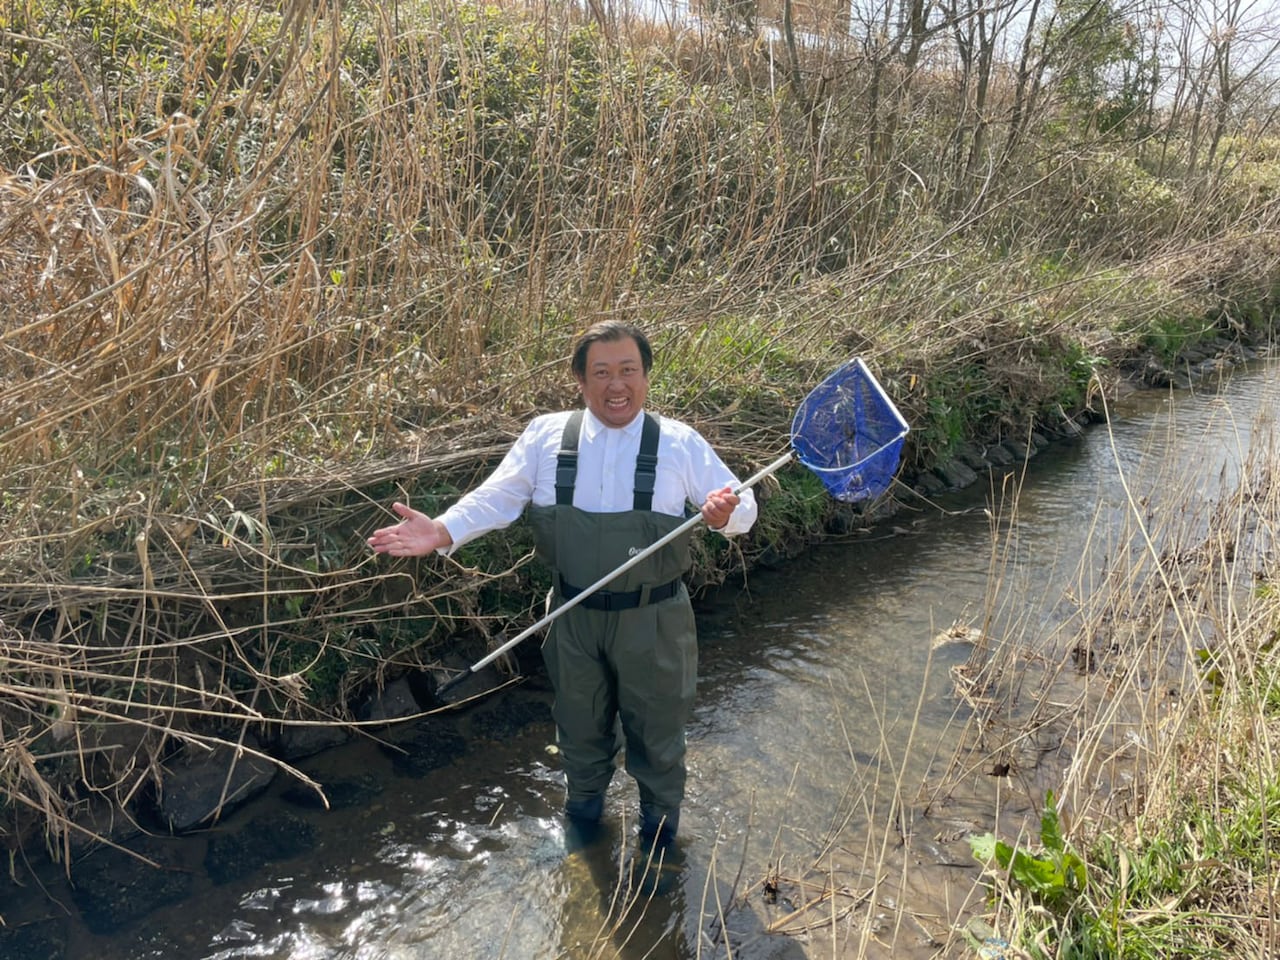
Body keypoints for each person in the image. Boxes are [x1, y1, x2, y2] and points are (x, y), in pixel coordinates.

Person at [367, 320, 757, 852]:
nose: (616, 385)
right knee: (578, 732)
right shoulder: (546, 436)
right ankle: (585, 836)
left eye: (628, 371)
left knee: (658, 739)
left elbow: (745, 508)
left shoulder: (678, 443)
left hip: (655, 621)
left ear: (646, 377)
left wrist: (722, 514)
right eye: (601, 373)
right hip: (570, 617)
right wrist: (439, 531)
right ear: (579, 379)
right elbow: (497, 498)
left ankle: (660, 848)